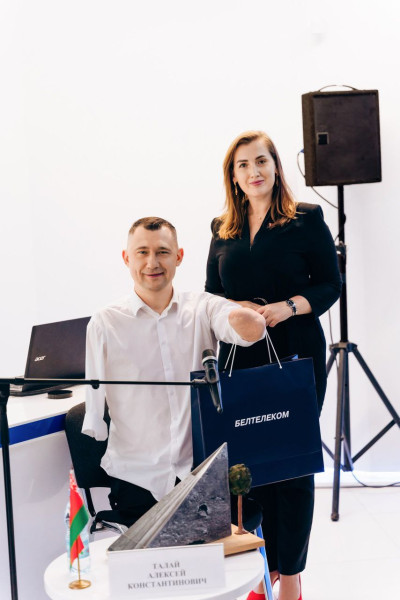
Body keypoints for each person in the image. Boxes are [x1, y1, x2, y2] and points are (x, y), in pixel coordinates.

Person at [205, 131, 342, 600]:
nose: (253, 171)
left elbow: (330, 284)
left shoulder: (305, 218)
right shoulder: (221, 228)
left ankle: (292, 577)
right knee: (250, 468)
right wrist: (234, 307)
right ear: (233, 176)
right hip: (241, 358)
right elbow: (211, 294)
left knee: (293, 466)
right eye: (242, 165)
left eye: (260, 161)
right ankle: (263, 569)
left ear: (275, 165)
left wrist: (289, 306)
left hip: (296, 354)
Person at [82, 216, 265, 526]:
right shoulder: (105, 322)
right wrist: (95, 421)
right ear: (127, 258)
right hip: (136, 476)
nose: (152, 262)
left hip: (201, 469)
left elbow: (247, 330)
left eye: (163, 252)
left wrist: (244, 318)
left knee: (218, 550)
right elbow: (94, 407)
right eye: (142, 252)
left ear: (179, 256)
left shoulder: (203, 306)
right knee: (150, 556)